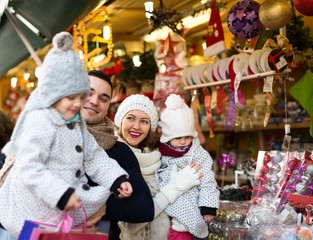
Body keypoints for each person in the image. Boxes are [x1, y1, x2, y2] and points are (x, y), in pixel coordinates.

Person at [0, 32, 132, 238]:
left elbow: (94, 156)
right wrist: (60, 194)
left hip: (66, 198)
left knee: (100, 195)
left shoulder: (75, 122)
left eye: (81, 96)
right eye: (71, 97)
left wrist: (116, 180)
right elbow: (29, 167)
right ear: (53, 93)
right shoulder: (40, 121)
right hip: (35, 201)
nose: (79, 103)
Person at [113, 93, 203, 240]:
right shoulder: (111, 159)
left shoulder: (157, 157)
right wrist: (174, 189)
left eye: (144, 121)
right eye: (130, 118)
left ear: (151, 127)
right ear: (120, 120)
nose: (136, 126)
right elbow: (131, 224)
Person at [81, 70, 155, 240]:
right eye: (88, 93)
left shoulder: (119, 150)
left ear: (108, 105)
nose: (94, 101)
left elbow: (144, 207)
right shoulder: (50, 135)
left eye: (103, 98)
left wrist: (102, 207)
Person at [156, 94, 220, 240]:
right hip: (163, 207)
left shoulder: (198, 154)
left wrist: (208, 206)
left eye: (188, 136)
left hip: (190, 205)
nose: (184, 141)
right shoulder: (161, 153)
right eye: (178, 138)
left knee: (182, 233)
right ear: (167, 136)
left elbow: (208, 181)